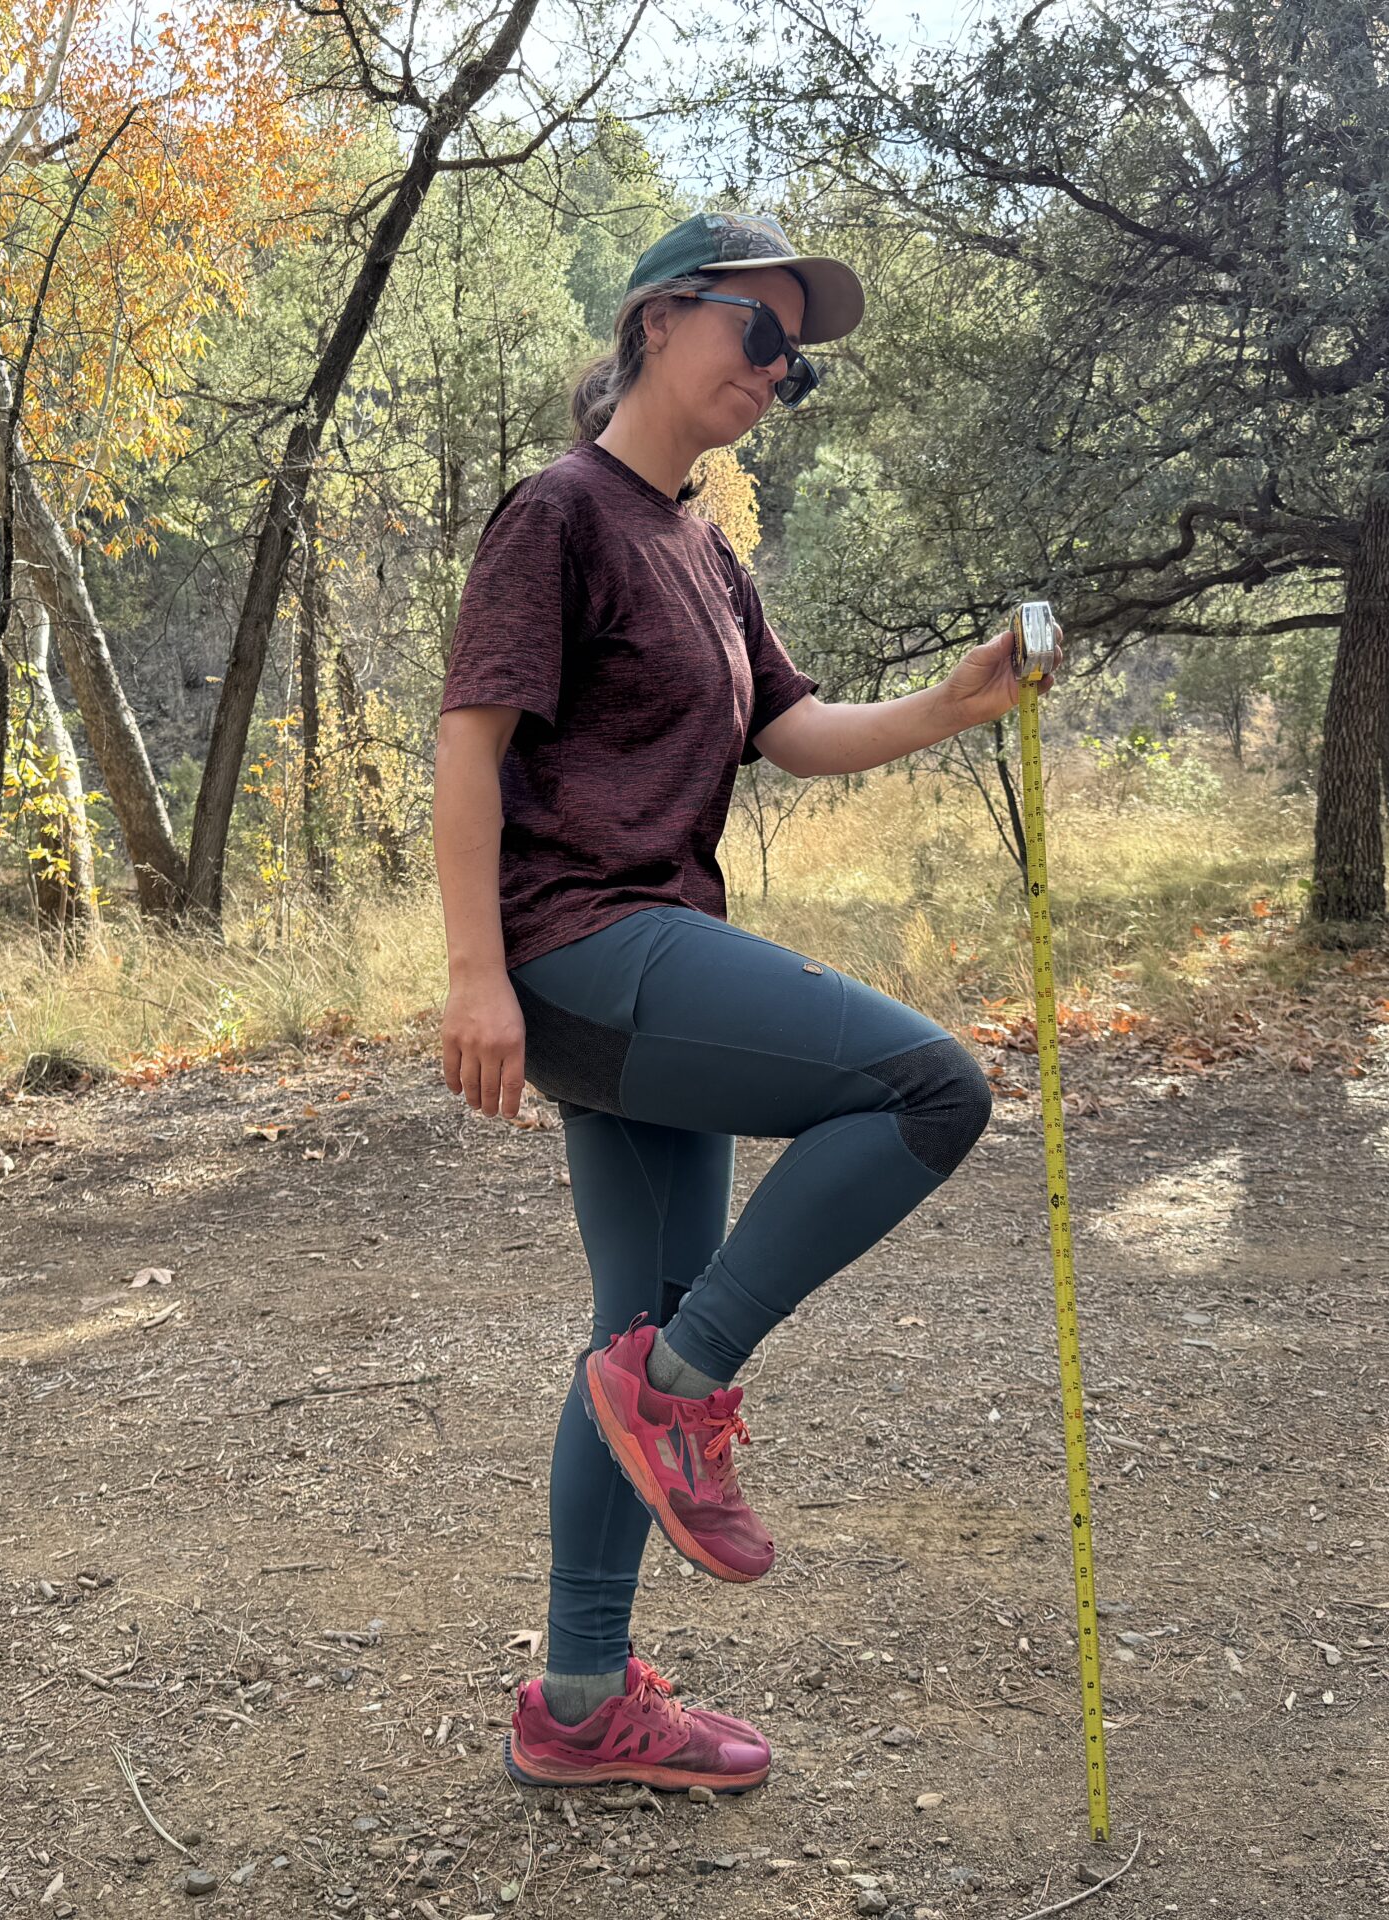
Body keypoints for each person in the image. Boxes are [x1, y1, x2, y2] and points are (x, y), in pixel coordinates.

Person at [432, 210, 1060, 1794]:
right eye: (759, 335)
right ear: (658, 318)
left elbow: (788, 730)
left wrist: (957, 700)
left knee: (621, 1336)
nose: (780, 372)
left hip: (641, 948)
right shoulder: (560, 512)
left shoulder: (705, 543)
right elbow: (468, 746)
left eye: (802, 358)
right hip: (586, 946)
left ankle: (579, 1699)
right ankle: (683, 1385)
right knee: (931, 1088)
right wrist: (472, 976)